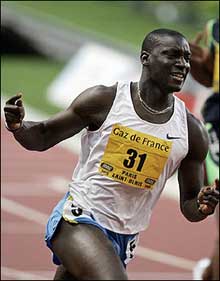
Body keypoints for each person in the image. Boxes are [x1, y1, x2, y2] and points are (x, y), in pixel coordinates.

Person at [4, 28, 220, 280]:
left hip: (124, 236)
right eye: (171, 55)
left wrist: (203, 205)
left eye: (185, 57)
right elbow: (42, 136)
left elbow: (190, 206)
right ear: (145, 57)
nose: (182, 64)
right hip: (79, 218)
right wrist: (19, 126)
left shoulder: (191, 131)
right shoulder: (106, 100)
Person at [189, 18, 219, 280]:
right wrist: (197, 63)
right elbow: (210, 78)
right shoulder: (214, 27)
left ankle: (208, 273)